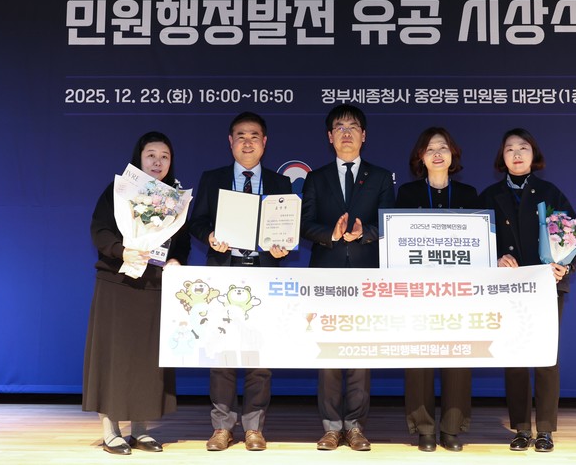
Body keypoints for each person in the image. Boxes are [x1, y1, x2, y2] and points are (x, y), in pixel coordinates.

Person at [188, 111, 292, 452]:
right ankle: (222, 427)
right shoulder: (213, 178)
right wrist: (210, 236)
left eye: (254, 136)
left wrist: (281, 248)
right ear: (230, 142)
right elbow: (197, 221)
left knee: (259, 357)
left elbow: (286, 230)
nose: (248, 142)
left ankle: (254, 428)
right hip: (224, 272)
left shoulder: (280, 184)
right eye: (241, 136)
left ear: (265, 142)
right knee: (222, 355)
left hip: (263, 274)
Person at [83, 131, 190, 455]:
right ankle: (111, 431)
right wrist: (122, 251)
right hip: (117, 283)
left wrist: (176, 260)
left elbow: (182, 242)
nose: (158, 162)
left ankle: (142, 430)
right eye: (151, 155)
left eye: (164, 156)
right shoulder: (118, 192)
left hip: (153, 286)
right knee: (113, 357)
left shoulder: (176, 199)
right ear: (139, 158)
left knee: (147, 361)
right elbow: (99, 230)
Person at [479, 128, 576, 453]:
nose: (516, 154)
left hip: (546, 286)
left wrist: (565, 266)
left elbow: (575, 237)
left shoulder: (550, 193)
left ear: (533, 155)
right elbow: (476, 243)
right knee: (514, 357)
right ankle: (521, 429)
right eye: (509, 148)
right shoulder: (489, 196)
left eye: (523, 147)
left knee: (546, 357)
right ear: (502, 157)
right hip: (508, 288)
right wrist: (495, 259)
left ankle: (546, 430)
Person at [300, 104, 395, 451]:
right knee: (327, 353)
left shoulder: (381, 177)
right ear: (329, 137)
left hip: (366, 277)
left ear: (364, 135)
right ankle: (330, 427)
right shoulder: (316, 178)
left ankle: (354, 426)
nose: (346, 133)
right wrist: (332, 234)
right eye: (339, 127)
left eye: (353, 127)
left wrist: (362, 234)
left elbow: (388, 222)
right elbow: (305, 224)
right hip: (326, 276)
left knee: (359, 352)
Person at [394, 127, 478, 452]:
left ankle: (452, 429)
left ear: (453, 154)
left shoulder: (469, 195)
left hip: (459, 291)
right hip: (418, 290)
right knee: (419, 357)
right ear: (421, 157)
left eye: (443, 147)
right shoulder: (408, 194)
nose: (437, 153)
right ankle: (424, 428)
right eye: (430, 149)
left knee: (458, 357)